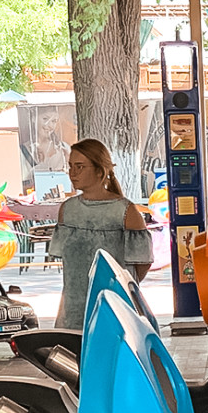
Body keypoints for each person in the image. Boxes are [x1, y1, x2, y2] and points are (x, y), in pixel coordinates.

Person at [47, 139, 153, 330]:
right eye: (70, 166)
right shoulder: (67, 210)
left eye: (80, 167)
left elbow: (142, 263)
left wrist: (118, 288)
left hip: (117, 310)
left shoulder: (126, 211)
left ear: (99, 170)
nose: (73, 173)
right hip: (73, 312)